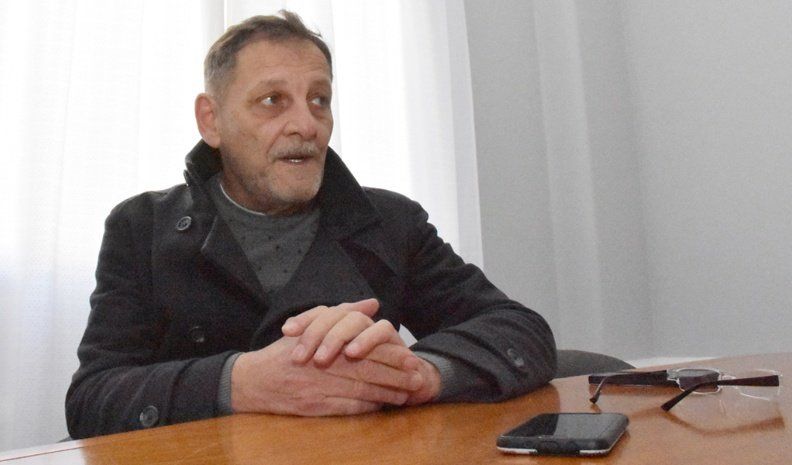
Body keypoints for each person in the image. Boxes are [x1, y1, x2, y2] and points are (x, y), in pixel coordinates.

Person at [65, 11, 556, 439]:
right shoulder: (141, 227)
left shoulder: (391, 222)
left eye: (319, 99)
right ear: (211, 120)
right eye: (272, 100)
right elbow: (92, 400)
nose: (306, 124)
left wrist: (418, 374)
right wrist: (239, 382)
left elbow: (522, 331)